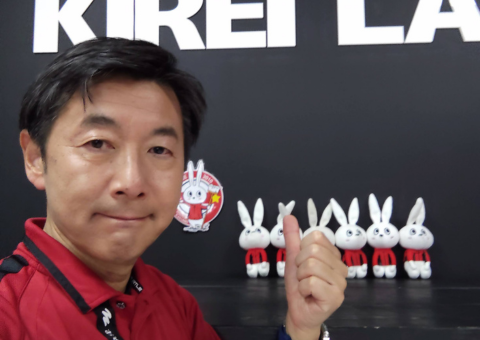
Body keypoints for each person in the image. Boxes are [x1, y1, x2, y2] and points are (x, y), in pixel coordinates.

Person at [0, 38, 347, 340]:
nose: (132, 183)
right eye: (98, 143)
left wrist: (302, 328)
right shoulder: (8, 311)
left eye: (158, 150)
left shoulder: (173, 303)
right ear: (35, 158)